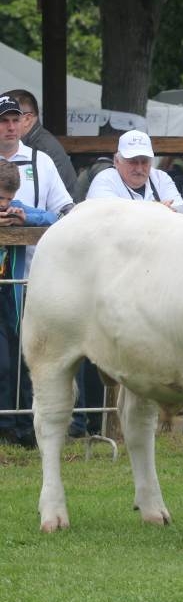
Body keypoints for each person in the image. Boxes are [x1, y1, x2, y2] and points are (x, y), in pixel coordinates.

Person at [0, 160, 59, 448]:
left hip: (12, 298)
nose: (5, 204)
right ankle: (6, 427)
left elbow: (53, 218)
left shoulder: (18, 206)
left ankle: (24, 427)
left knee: (20, 361)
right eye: (0, 198)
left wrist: (24, 219)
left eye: (9, 199)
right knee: (2, 364)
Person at [85, 130, 183, 213]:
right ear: (116, 161)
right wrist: (158, 209)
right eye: (133, 162)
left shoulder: (161, 177)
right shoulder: (104, 180)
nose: (139, 169)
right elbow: (111, 216)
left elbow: (182, 212)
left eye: (144, 162)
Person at [3, 89, 77, 195]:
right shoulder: (37, 143)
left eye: (14, 119)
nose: (10, 126)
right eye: (3, 120)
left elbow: (58, 204)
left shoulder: (42, 151)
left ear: (27, 119)